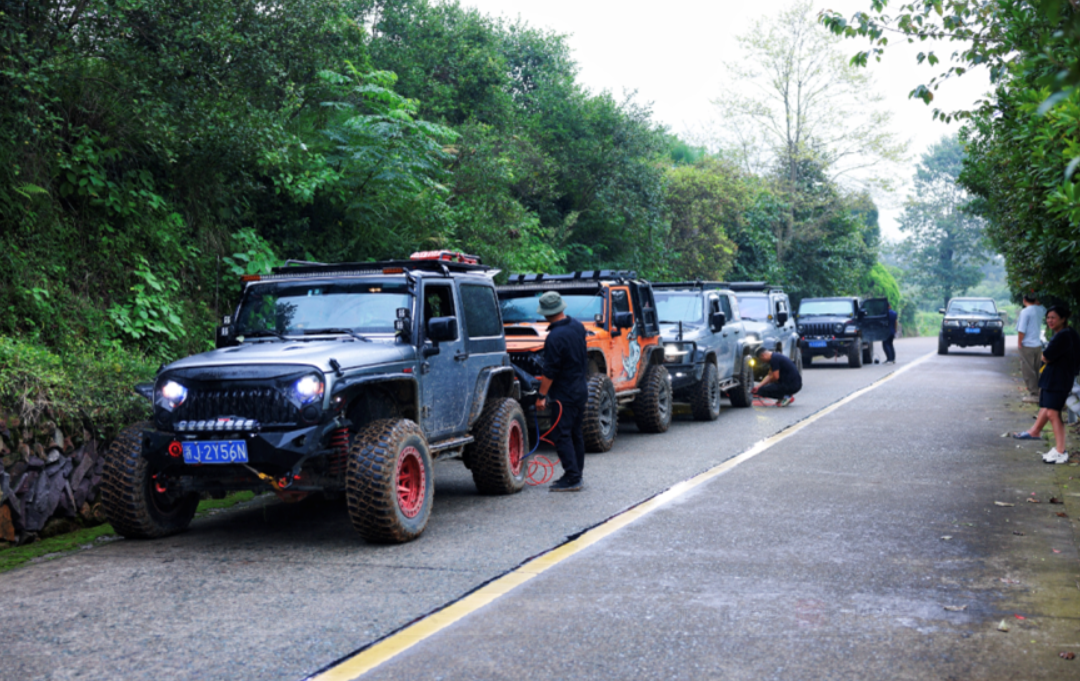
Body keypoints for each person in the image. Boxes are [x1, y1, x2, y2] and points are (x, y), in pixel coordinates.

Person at [535, 291, 589, 491]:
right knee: (575, 432)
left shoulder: (554, 337)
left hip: (564, 394)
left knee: (561, 434)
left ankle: (573, 477)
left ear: (546, 313)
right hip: (580, 388)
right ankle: (576, 473)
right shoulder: (578, 326)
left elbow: (550, 372)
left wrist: (541, 396)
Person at [1012, 305, 1080, 464]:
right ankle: (1038, 434)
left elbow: (1046, 357)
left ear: (1063, 319)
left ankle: (1061, 451)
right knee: (1048, 409)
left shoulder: (1063, 336)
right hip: (1058, 378)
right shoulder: (1069, 334)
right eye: (1048, 318)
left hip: (1058, 379)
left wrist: (1047, 356)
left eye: (1053, 317)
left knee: (1053, 413)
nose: (1050, 320)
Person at [1016, 293, 1046, 403]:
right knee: (1036, 369)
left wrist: (1019, 343)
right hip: (1037, 344)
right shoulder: (1040, 309)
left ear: (1024, 300)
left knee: (1028, 370)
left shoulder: (1025, 311)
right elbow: (1042, 306)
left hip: (1027, 344)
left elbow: (1021, 329)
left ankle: (1034, 394)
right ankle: (1039, 392)